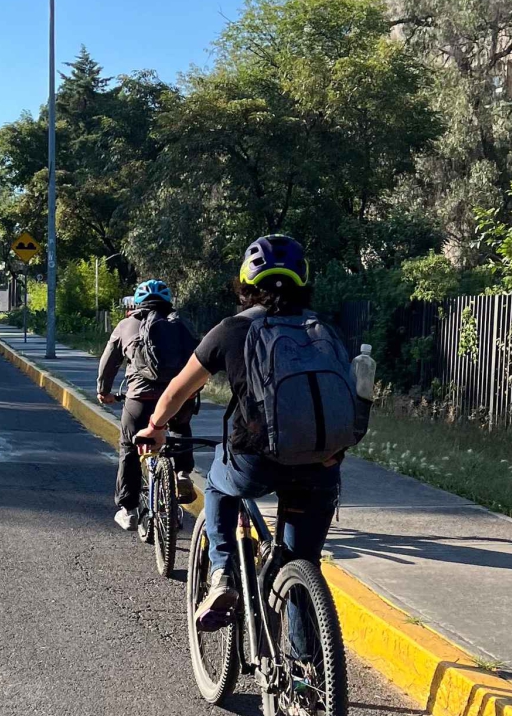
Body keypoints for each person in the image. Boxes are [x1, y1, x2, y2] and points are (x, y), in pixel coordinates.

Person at [137, 235, 358, 631]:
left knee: (219, 485)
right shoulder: (325, 330)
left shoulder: (231, 330)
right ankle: (306, 680)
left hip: (256, 461)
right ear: (303, 280)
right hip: (322, 462)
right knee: (300, 562)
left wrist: (155, 428)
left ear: (246, 282)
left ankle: (222, 572)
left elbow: (178, 390)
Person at [98, 279, 199, 531]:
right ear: (168, 302)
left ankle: (128, 509)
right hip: (180, 397)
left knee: (130, 446)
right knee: (180, 428)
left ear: (137, 302)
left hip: (140, 399)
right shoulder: (181, 324)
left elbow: (109, 363)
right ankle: (182, 473)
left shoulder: (126, 325)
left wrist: (104, 391)